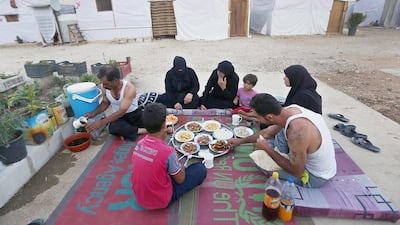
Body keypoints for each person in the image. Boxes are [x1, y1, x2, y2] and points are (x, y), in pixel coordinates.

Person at [229, 93, 336, 188]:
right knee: (278, 131)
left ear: (270, 117)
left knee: (258, 159)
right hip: (306, 151)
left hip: (314, 176)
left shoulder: (297, 133)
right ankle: (280, 152)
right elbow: (268, 133)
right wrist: (240, 141)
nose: (258, 120)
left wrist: (267, 149)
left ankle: (276, 153)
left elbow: (297, 171)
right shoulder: (291, 109)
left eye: (258, 118)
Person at [131, 103, 207, 209]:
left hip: (140, 198)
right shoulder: (168, 152)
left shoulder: (139, 145)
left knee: (163, 167)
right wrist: (177, 162)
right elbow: (180, 179)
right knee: (200, 169)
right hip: (161, 200)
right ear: (164, 125)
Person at [85, 65, 146, 141]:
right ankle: (139, 131)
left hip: (133, 115)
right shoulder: (104, 87)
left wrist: (100, 123)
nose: (103, 86)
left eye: (106, 83)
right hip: (118, 118)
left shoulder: (129, 89)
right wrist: (93, 113)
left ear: (115, 80)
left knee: (154, 122)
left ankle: (130, 132)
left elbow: (121, 112)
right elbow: (105, 103)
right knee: (112, 128)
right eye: (102, 83)